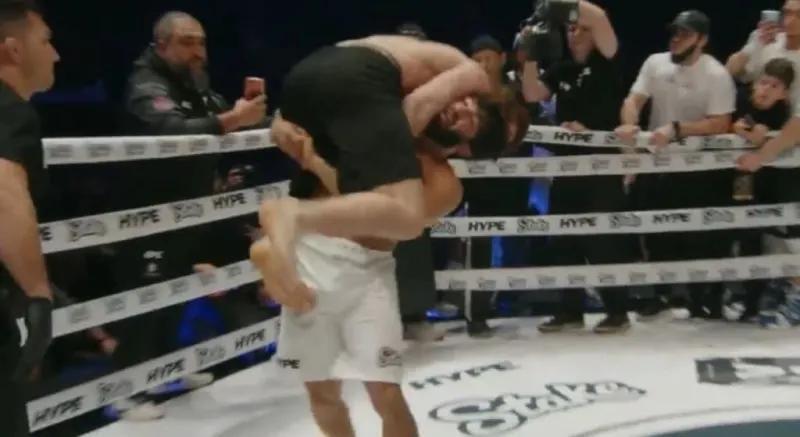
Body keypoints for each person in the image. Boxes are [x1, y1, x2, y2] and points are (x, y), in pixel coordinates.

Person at [256, 34, 508, 311]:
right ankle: (293, 217)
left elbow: (329, 77)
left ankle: (282, 240)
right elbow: (413, 110)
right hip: (355, 81)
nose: (459, 112)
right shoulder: (471, 76)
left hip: (309, 79)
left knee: (381, 201)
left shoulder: (407, 98)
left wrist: (286, 126)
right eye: (471, 112)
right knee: (408, 216)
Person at [256, 116, 464, 437]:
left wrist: (314, 162)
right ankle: (272, 255)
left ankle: (271, 252)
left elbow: (387, 216)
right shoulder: (374, 121)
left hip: (367, 268)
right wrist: (283, 126)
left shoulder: (443, 183)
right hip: (310, 253)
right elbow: (292, 115)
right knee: (321, 392)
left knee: (386, 391)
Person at [108, 11, 267, 421]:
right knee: (145, 301)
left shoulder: (194, 84)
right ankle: (125, 392)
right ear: (162, 45)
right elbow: (169, 130)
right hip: (146, 215)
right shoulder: (147, 84)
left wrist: (267, 120)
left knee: (175, 293)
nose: (198, 51)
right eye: (187, 42)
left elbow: (220, 119)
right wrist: (232, 119)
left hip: (185, 212)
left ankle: (163, 372)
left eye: (201, 42)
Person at [519, 0, 635, 333]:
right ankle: (570, 310)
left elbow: (596, 16)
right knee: (563, 239)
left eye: (582, 29)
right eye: (570, 29)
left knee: (603, 241)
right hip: (567, 166)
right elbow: (531, 94)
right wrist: (529, 54)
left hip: (602, 165)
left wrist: (552, 6)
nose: (575, 34)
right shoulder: (562, 69)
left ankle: (617, 311)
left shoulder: (609, 60)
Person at [616, 10, 736, 320]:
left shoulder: (716, 74)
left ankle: (704, 298)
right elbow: (633, 100)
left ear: (702, 40)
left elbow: (721, 122)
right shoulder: (655, 62)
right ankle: (660, 293)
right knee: (656, 233)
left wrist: (678, 128)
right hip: (659, 164)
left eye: (685, 33)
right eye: (675, 32)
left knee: (701, 237)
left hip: (700, 169)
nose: (676, 38)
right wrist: (630, 123)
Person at [0, 1, 59, 435]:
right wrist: (38, 295)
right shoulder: (8, 109)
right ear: (13, 50)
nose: (55, 54)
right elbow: (3, 189)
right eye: (45, 41)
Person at [731, 59, 799, 321]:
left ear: (784, 93)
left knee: (789, 234)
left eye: (774, 86)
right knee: (747, 234)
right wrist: (741, 127)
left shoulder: (785, 110)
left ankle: (783, 294)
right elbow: (732, 122)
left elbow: (788, 134)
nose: (766, 89)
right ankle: (750, 299)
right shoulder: (740, 98)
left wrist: (762, 138)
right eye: (763, 83)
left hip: (780, 180)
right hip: (745, 179)